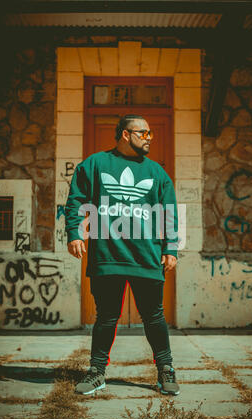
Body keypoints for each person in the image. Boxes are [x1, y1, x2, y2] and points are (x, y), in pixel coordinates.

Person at [65, 114, 179, 396]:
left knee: (154, 317)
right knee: (106, 317)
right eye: (144, 133)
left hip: (147, 256)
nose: (150, 137)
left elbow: (169, 213)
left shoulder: (157, 173)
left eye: (151, 133)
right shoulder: (94, 165)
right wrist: (75, 233)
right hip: (107, 255)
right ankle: (96, 372)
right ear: (126, 135)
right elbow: (75, 200)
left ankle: (165, 370)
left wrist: (171, 248)